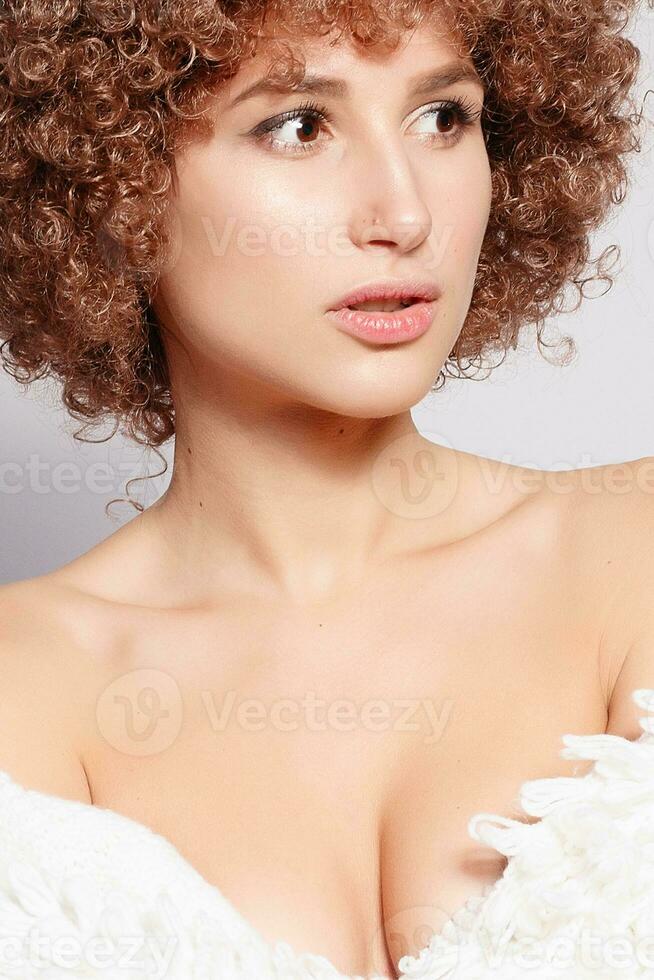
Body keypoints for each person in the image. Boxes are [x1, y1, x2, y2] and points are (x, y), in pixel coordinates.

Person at [0, 0, 653, 977]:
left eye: (444, 118)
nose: (404, 214)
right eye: (300, 125)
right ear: (110, 182)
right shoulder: (30, 680)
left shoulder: (629, 543)